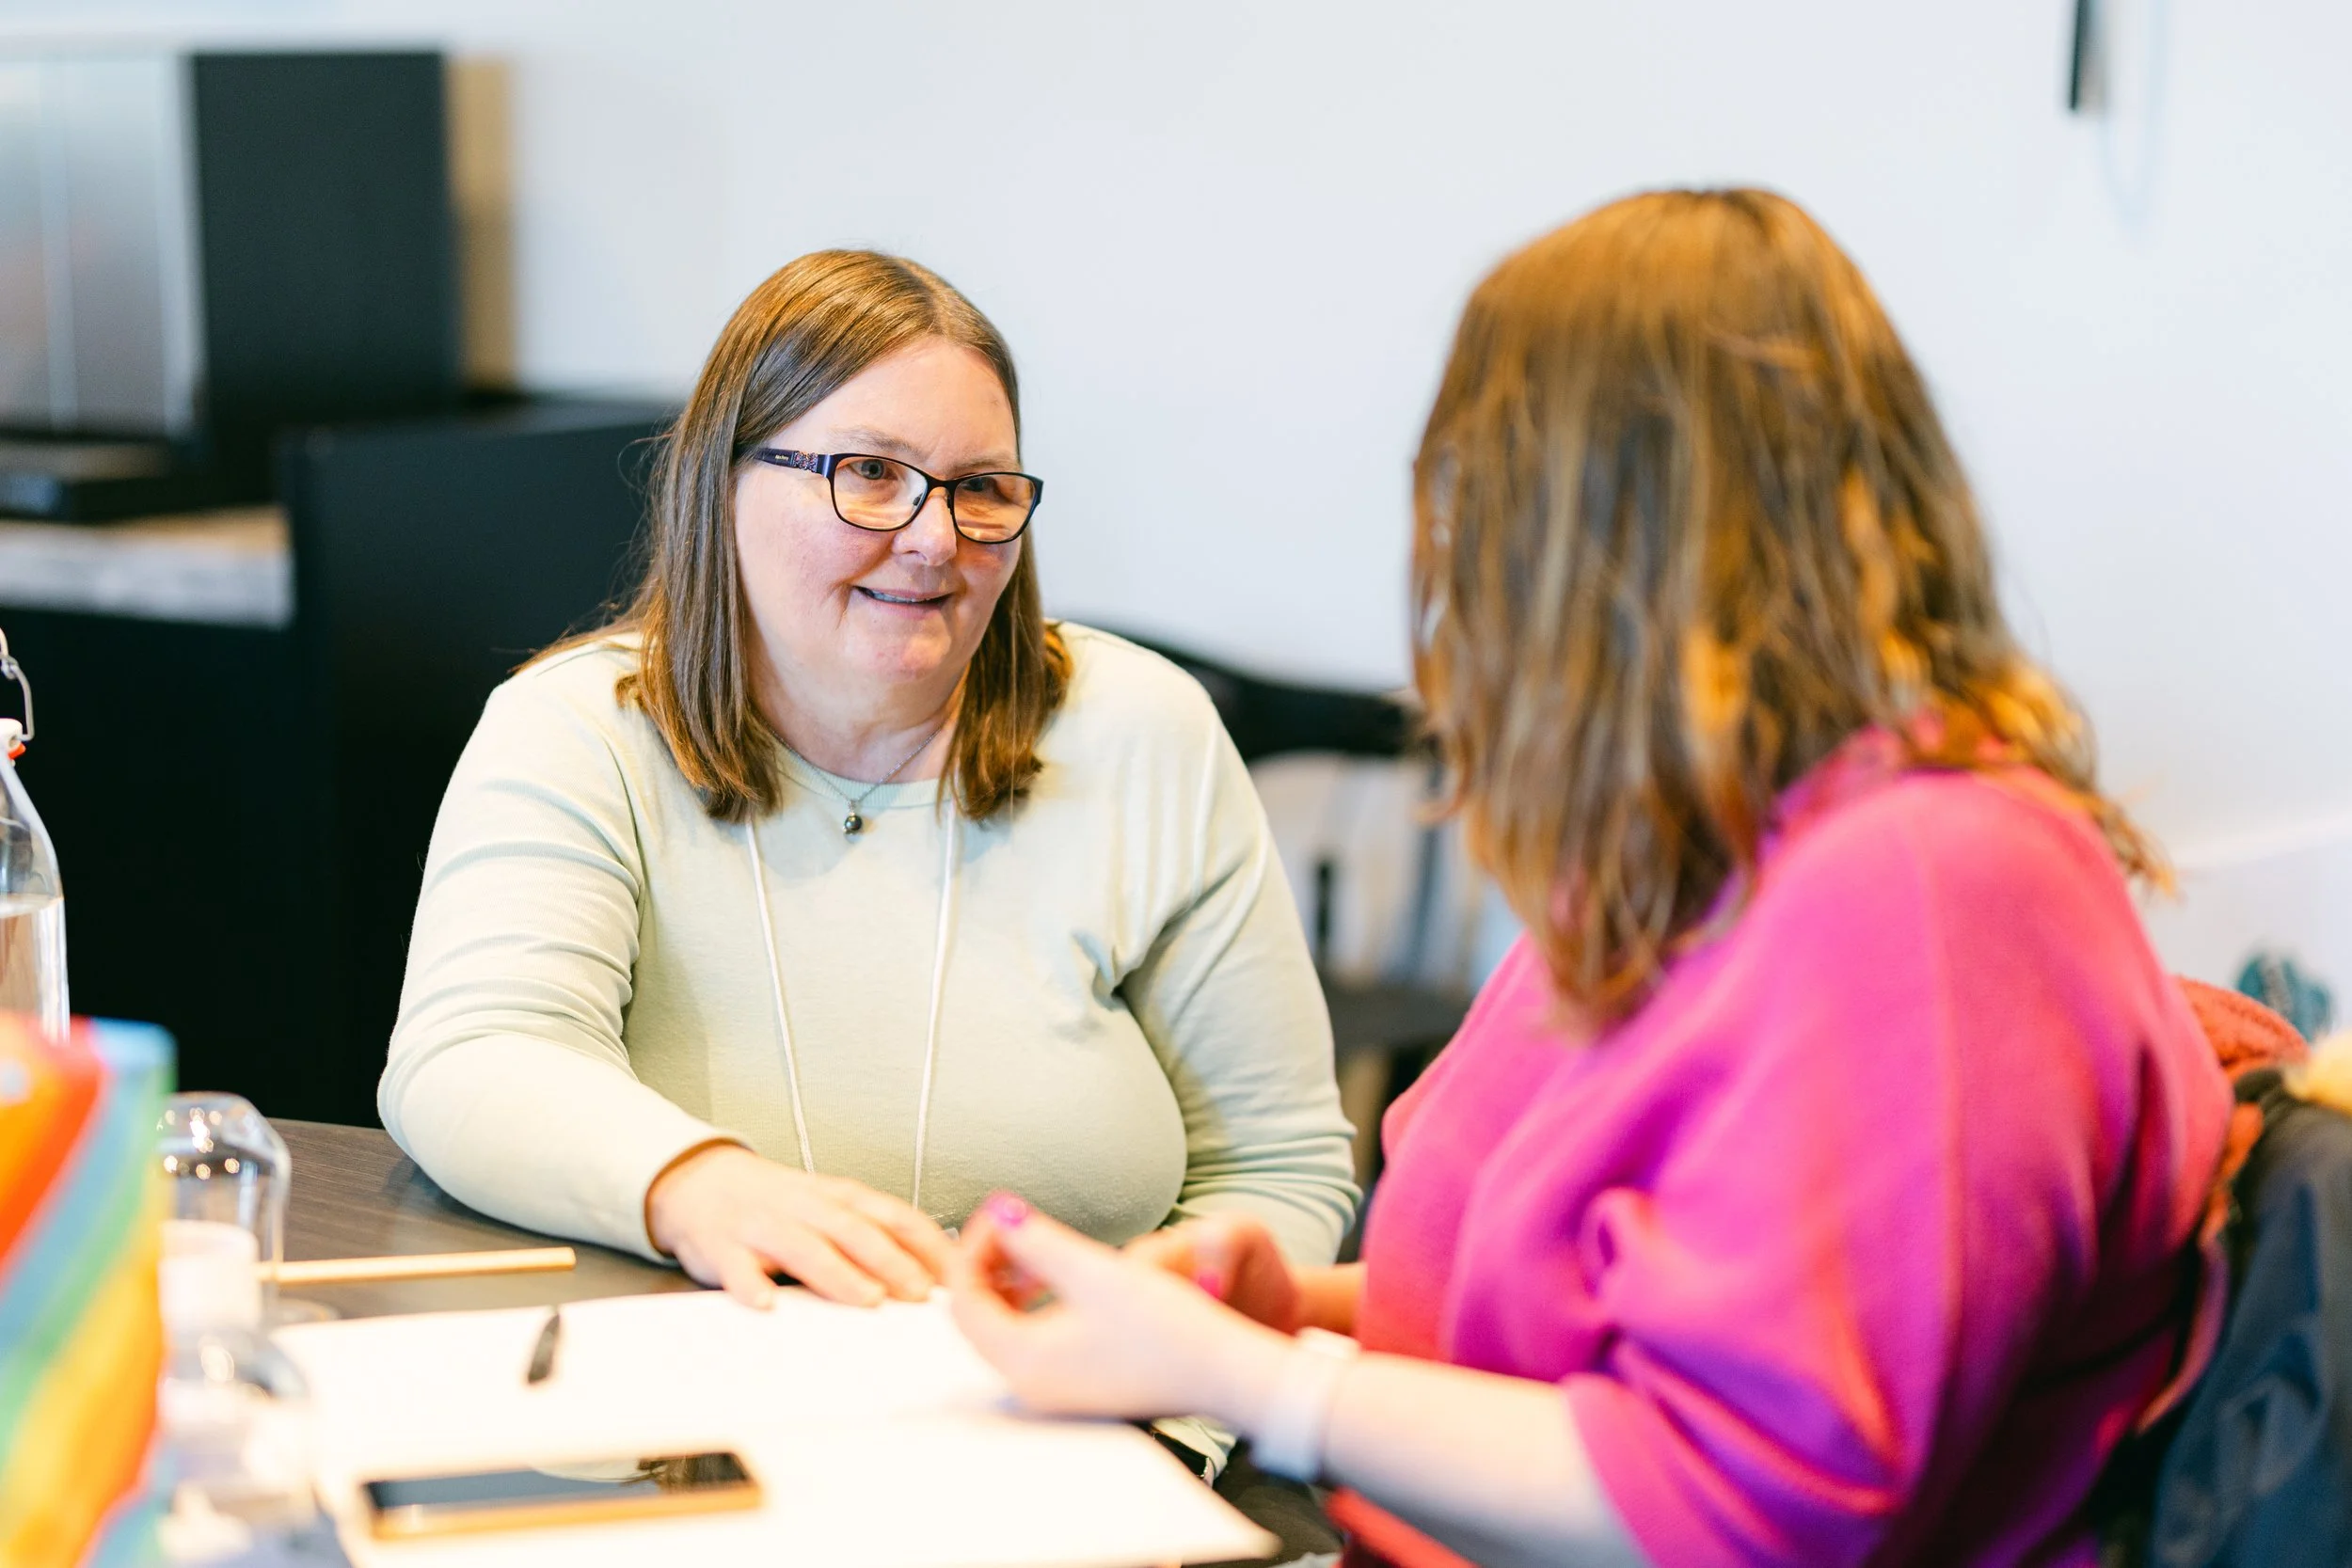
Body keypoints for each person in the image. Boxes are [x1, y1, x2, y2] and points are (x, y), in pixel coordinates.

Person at [948, 189, 2235, 1568]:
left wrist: (1260, 1383)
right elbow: (1592, 1318)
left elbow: (1745, 1499)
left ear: (1576, 535)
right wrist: (1291, 1315)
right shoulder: (1702, 850)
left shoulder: (1926, 881)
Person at [378, 251, 1358, 1333]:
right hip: (691, 1428)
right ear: (725, 480)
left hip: (1083, 1423)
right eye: (870, 474)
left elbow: (1278, 1166)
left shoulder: (1143, 730)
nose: (935, 538)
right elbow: (473, 1058)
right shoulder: (574, 732)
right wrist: (698, 1184)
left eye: (980, 487)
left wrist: (1180, 1396)